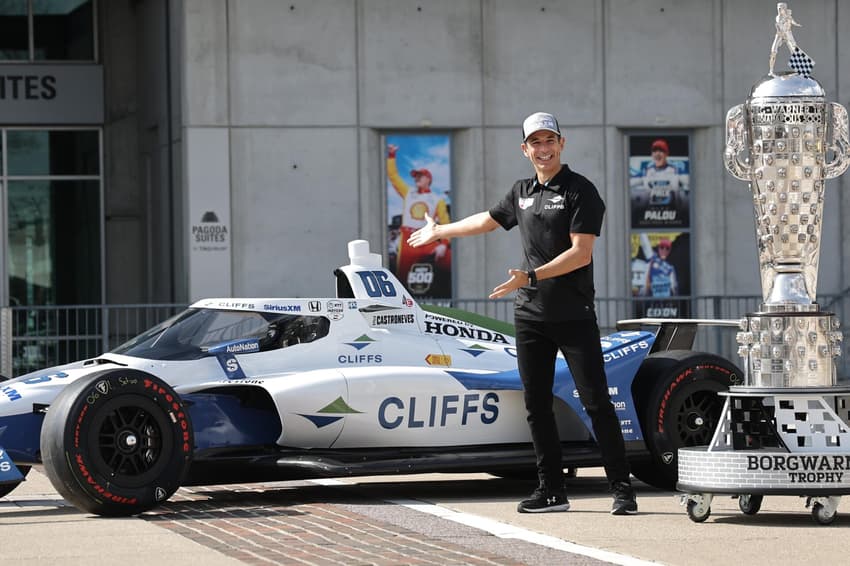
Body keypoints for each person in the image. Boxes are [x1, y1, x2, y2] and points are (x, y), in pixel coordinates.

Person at [408, 111, 637, 515]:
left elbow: (581, 253)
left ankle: (622, 489)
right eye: (536, 142)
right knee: (536, 405)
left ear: (561, 144)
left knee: (596, 402)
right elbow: (488, 219)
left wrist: (531, 276)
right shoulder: (521, 190)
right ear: (525, 149)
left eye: (550, 141)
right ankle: (551, 491)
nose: (543, 149)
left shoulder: (581, 190)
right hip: (531, 316)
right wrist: (441, 231)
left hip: (573, 314)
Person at [386, 145, 451, 292]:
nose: (416, 179)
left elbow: (445, 223)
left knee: (448, 260)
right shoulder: (409, 193)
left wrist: (444, 244)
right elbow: (393, 177)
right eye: (415, 176)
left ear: (428, 179)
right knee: (402, 276)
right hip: (408, 239)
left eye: (419, 176)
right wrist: (391, 156)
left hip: (428, 237)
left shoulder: (437, 199)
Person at [642, 138, 687, 208]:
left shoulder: (675, 170)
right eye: (654, 151)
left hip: (673, 211)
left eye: (661, 151)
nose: (657, 154)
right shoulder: (647, 171)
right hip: (651, 211)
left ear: (666, 154)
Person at [769, 3, 801, 75]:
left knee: (794, 50)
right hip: (779, 35)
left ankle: (798, 68)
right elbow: (777, 26)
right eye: (779, 8)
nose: (780, 10)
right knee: (773, 51)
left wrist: (796, 24)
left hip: (787, 34)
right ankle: (771, 70)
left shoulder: (788, 17)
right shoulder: (777, 17)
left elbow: (792, 21)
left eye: (782, 8)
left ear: (785, 9)